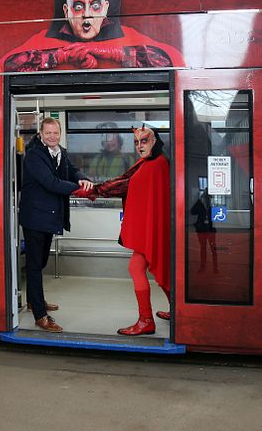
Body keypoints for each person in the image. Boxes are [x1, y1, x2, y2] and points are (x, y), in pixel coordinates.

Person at [73, 125, 170, 335]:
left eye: (144, 141)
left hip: (152, 228)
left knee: (141, 269)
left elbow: (124, 184)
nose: (139, 146)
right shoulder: (150, 162)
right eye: (136, 142)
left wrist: (95, 190)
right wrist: (96, 190)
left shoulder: (155, 165)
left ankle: (146, 321)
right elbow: (125, 181)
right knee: (161, 268)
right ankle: (175, 311)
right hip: (152, 227)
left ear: (155, 141)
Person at [0, 0, 183, 72]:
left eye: (94, 5)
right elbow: (5, 67)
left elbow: (173, 61)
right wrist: (60, 57)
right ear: (66, 10)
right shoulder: (44, 40)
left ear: (105, 8)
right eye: (78, 6)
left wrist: (115, 53)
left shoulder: (128, 35)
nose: (87, 14)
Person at [20, 118, 93, 333]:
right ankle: (40, 315)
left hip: (49, 218)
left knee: (41, 262)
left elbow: (72, 169)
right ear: (41, 133)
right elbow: (50, 182)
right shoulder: (34, 154)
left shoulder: (60, 151)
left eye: (56, 133)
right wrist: (80, 191)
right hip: (34, 218)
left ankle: (35, 301)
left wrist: (82, 179)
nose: (52, 136)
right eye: (48, 133)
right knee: (34, 265)